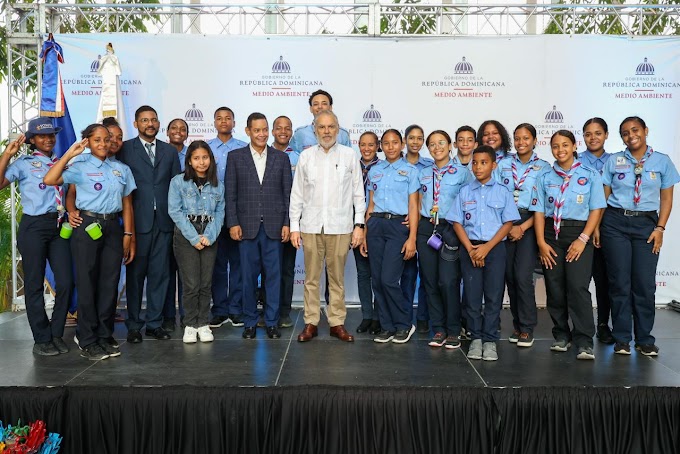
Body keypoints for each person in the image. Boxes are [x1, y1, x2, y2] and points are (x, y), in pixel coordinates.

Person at [44, 123, 136, 360]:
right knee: (86, 282)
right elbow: (51, 178)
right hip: (87, 226)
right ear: (87, 142)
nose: (104, 144)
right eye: (97, 140)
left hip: (113, 228)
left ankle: (104, 335)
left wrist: (128, 234)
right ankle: (87, 338)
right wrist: (70, 153)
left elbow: (127, 203)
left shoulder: (121, 169)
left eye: (107, 139)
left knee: (109, 282)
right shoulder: (80, 165)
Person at [600, 117, 680, 356]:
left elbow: (666, 199)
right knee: (619, 283)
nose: (630, 135)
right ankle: (622, 338)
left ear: (645, 131)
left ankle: (645, 338)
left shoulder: (662, 161)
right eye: (625, 133)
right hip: (615, 223)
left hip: (647, 224)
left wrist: (660, 228)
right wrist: (596, 228)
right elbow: (603, 198)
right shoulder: (614, 161)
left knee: (644, 284)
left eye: (635, 130)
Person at [289, 110, 365, 343]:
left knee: (337, 279)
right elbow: (297, 194)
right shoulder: (306, 157)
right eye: (321, 127)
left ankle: (336, 322)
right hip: (311, 226)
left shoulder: (350, 156)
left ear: (338, 128)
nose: (326, 131)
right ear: (314, 129)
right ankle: (311, 322)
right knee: (311, 279)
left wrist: (359, 225)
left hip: (341, 226)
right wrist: (294, 226)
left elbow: (357, 193)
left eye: (331, 127)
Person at [0, 119, 73, 356]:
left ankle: (56, 333)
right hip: (34, 227)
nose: (48, 139)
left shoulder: (61, 163)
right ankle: (41, 339)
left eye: (51, 135)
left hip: (59, 225)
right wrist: (7, 154)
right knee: (33, 284)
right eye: (42, 136)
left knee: (66, 282)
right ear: (32, 140)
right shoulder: (23, 163)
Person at [531, 130, 606, 360]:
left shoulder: (590, 174)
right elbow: (539, 211)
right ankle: (561, 335)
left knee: (577, 287)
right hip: (551, 234)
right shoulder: (544, 177)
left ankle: (584, 340)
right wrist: (541, 242)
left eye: (565, 145)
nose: (560, 150)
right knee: (555, 287)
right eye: (555, 146)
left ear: (574, 146)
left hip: (578, 233)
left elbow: (596, 208)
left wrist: (583, 239)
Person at [447, 145, 519, 361]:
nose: (478, 167)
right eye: (475, 162)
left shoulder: (503, 191)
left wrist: (487, 248)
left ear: (494, 165)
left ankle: (490, 340)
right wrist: (470, 248)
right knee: (472, 296)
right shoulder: (465, 191)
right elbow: (457, 222)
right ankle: (475, 338)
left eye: (484, 162)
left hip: (494, 248)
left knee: (494, 295)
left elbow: (508, 223)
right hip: (470, 248)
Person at [117, 105, 181, 343]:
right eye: (144, 120)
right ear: (136, 124)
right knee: (135, 277)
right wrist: (127, 227)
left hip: (164, 223)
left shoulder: (169, 151)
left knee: (160, 275)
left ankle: (154, 323)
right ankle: (133, 325)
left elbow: (177, 187)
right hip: (137, 223)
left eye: (153, 120)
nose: (150, 124)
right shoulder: (125, 150)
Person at [226, 112, 292, 339]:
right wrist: (233, 223)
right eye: (257, 130)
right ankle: (250, 322)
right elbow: (230, 194)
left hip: (274, 227)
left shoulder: (281, 158)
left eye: (265, 130)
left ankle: (272, 322)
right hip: (246, 228)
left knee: (274, 277)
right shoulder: (235, 157)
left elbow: (288, 195)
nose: (262, 134)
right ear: (247, 131)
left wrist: (287, 223)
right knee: (247, 278)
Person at [493, 123, 550, 348]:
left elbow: (544, 205)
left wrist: (523, 228)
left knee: (523, 277)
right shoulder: (503, 164)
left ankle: (527, 327)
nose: (521, 142)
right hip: (504, 223)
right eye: (517, 138)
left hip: (529, 223)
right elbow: (494, 194)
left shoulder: (544, 168)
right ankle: (516, 325)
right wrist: (507, 227)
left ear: (535, 141)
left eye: (526, 138)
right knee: (508, 276)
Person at [362, 129, 419, 344]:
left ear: (402, 144)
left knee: (389, 279)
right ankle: (387, 326)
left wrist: (412, 237)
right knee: (377, 280)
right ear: (381, 146)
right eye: (386, 143)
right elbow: (371, 205)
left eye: (395, 142)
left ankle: (404, 324)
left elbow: (413, 206)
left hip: (397, 226)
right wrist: (366, 235)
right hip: (376, 225)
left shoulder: (410, 171)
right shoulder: (375, 170)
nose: (391, 147)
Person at [417, 130, 471, 350]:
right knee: (429, 281)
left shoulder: (462, 173)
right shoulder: (422, 172)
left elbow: (468, 202)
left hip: (451, 228)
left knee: (448, 281)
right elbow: (418, 200)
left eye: (441, 143)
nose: (436, 147)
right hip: (426, 227)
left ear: (450, 145)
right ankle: (438, 328)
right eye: (431, 144)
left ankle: (453, 329)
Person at [168, 140, 224, 344]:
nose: (201, 162)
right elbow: (175, 211)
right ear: (189, 161)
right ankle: (190, 324)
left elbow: (219, 212)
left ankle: (203, 323)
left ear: (211, 159)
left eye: (205, 158)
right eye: (197, 158)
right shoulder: (178, 182)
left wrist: (209, 235)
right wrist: (193, 237)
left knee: (205, 283)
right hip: (186, 234)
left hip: (209, 234)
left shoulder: (218, 185)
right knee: (191, 283)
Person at [208, 106, 247, 329]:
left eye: (228, 118)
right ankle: (220, 310)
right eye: (219, 119)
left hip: (238, 214)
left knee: (239, 264)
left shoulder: (243, 148)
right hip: (212, 213)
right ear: (214, 122)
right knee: (218, 264)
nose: (224, 122)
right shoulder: (206, 148)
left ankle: (236, 308)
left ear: (234, 122)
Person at [579, 117, 614, 344]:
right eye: (588, 134)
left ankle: (603, 324)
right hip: (580, 226)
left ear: (606, 135)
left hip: (609, 226)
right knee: (579, 282)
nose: (593, 138)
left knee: (604, 280)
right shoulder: (575, 160)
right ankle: (580, 328)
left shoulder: (616, 161)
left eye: (598, 133)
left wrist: (599, 227)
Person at [401, 124, 432, 334]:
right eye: (411, 138)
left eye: (419, 138)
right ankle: (404, 318)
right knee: (407, 274)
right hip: (400, 225)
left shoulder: (430, 166)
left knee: (427, 274)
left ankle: (422, 318)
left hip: (423, 225)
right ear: (405, 140)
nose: (415, 142)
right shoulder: (395, 163)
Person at [270, 115, 300, 328]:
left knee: (287, 268)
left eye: (287, 128)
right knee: (267, 268)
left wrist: (294, 222)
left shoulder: (300, 157)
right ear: (272, 131)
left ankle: (284, 311)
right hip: (266, 220)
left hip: (292, 220)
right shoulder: (263, 154)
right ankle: (267, 310)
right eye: (278, 128)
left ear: (291, 132)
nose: (283, 131)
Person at [162, 118, 189, 333]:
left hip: (190, 221)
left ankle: (188, 316)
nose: (178, 132)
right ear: (167, 131)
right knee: (167, 271)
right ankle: (168, 315)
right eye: (174, 128)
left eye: (182, 129)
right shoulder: (160, 152)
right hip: (164, 217)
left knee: (188, 273)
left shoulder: (193, 155)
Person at [355, 131, 381, 335]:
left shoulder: (383, 168)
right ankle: (367, 315)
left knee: (378, 274)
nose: (366, 149)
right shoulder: (352, 166)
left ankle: (379, 317)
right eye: (363, 144)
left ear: (377, 146)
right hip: (355, 225)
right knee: (363, 273)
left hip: (376, 225)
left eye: (371, 145)